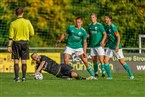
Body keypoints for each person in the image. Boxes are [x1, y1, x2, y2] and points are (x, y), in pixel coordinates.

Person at [8, 7, 34, 82]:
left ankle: (17, 78)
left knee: (16, 61)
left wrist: (9, 46)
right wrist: (27, 37)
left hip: (16, 43)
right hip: (25, 43)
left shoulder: (13, 23)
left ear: (16, 14)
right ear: (23, 13)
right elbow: (32, 33)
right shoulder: (27, 22)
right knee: (24, 61)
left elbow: (10, 36)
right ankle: (24, 77)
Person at [104, 14, 134, 79]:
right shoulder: (106, 27)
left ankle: (131, 75)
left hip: (116, 47)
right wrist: (104, 42)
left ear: (109, 19)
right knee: (105, 60)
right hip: (110, 47)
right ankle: (109, 76)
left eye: (106, 18)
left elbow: (118, 36)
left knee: (122, 62)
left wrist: (117, 46)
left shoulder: (113, 27)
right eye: (105, 18)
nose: (105, 19)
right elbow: (108, 36)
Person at [87, 13, 107, 78]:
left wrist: (103, 41)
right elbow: (89, 34)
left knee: (101, 60)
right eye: (91, 17)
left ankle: (103, 72)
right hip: (92, 45)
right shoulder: (89, 26)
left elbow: (105, 34)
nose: (92, 18)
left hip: (99, 45)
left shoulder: (99, 25)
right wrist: (86, 36)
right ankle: (96, 73)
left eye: (93, 17)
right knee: (94, 60)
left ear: (96, 18)